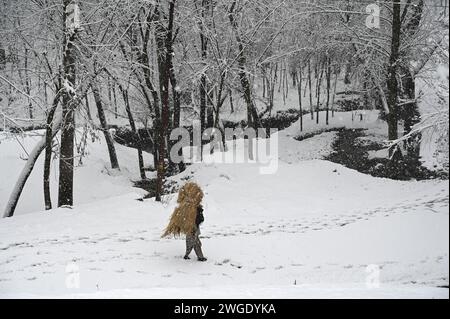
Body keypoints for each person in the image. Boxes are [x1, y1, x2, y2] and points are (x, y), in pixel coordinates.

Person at [162, 182, 207, 262]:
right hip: (192, 227)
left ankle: (191, 255)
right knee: (194, 241)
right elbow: (193, 218)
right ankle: (197, 256)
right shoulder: (189, 206)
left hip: (193, 226)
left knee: (194, 241)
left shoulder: (191, 205)